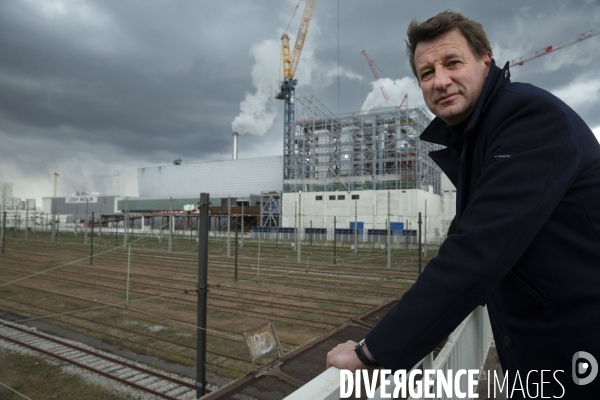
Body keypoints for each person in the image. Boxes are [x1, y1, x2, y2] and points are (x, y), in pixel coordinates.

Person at [327, 10, 600, 398]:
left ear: (485, 59)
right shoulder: (478, 136)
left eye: (452, 62)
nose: (440, 80)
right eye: (426, 73)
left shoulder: (529, 119)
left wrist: (372, 354)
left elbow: (475, 253)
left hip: (579, 351)